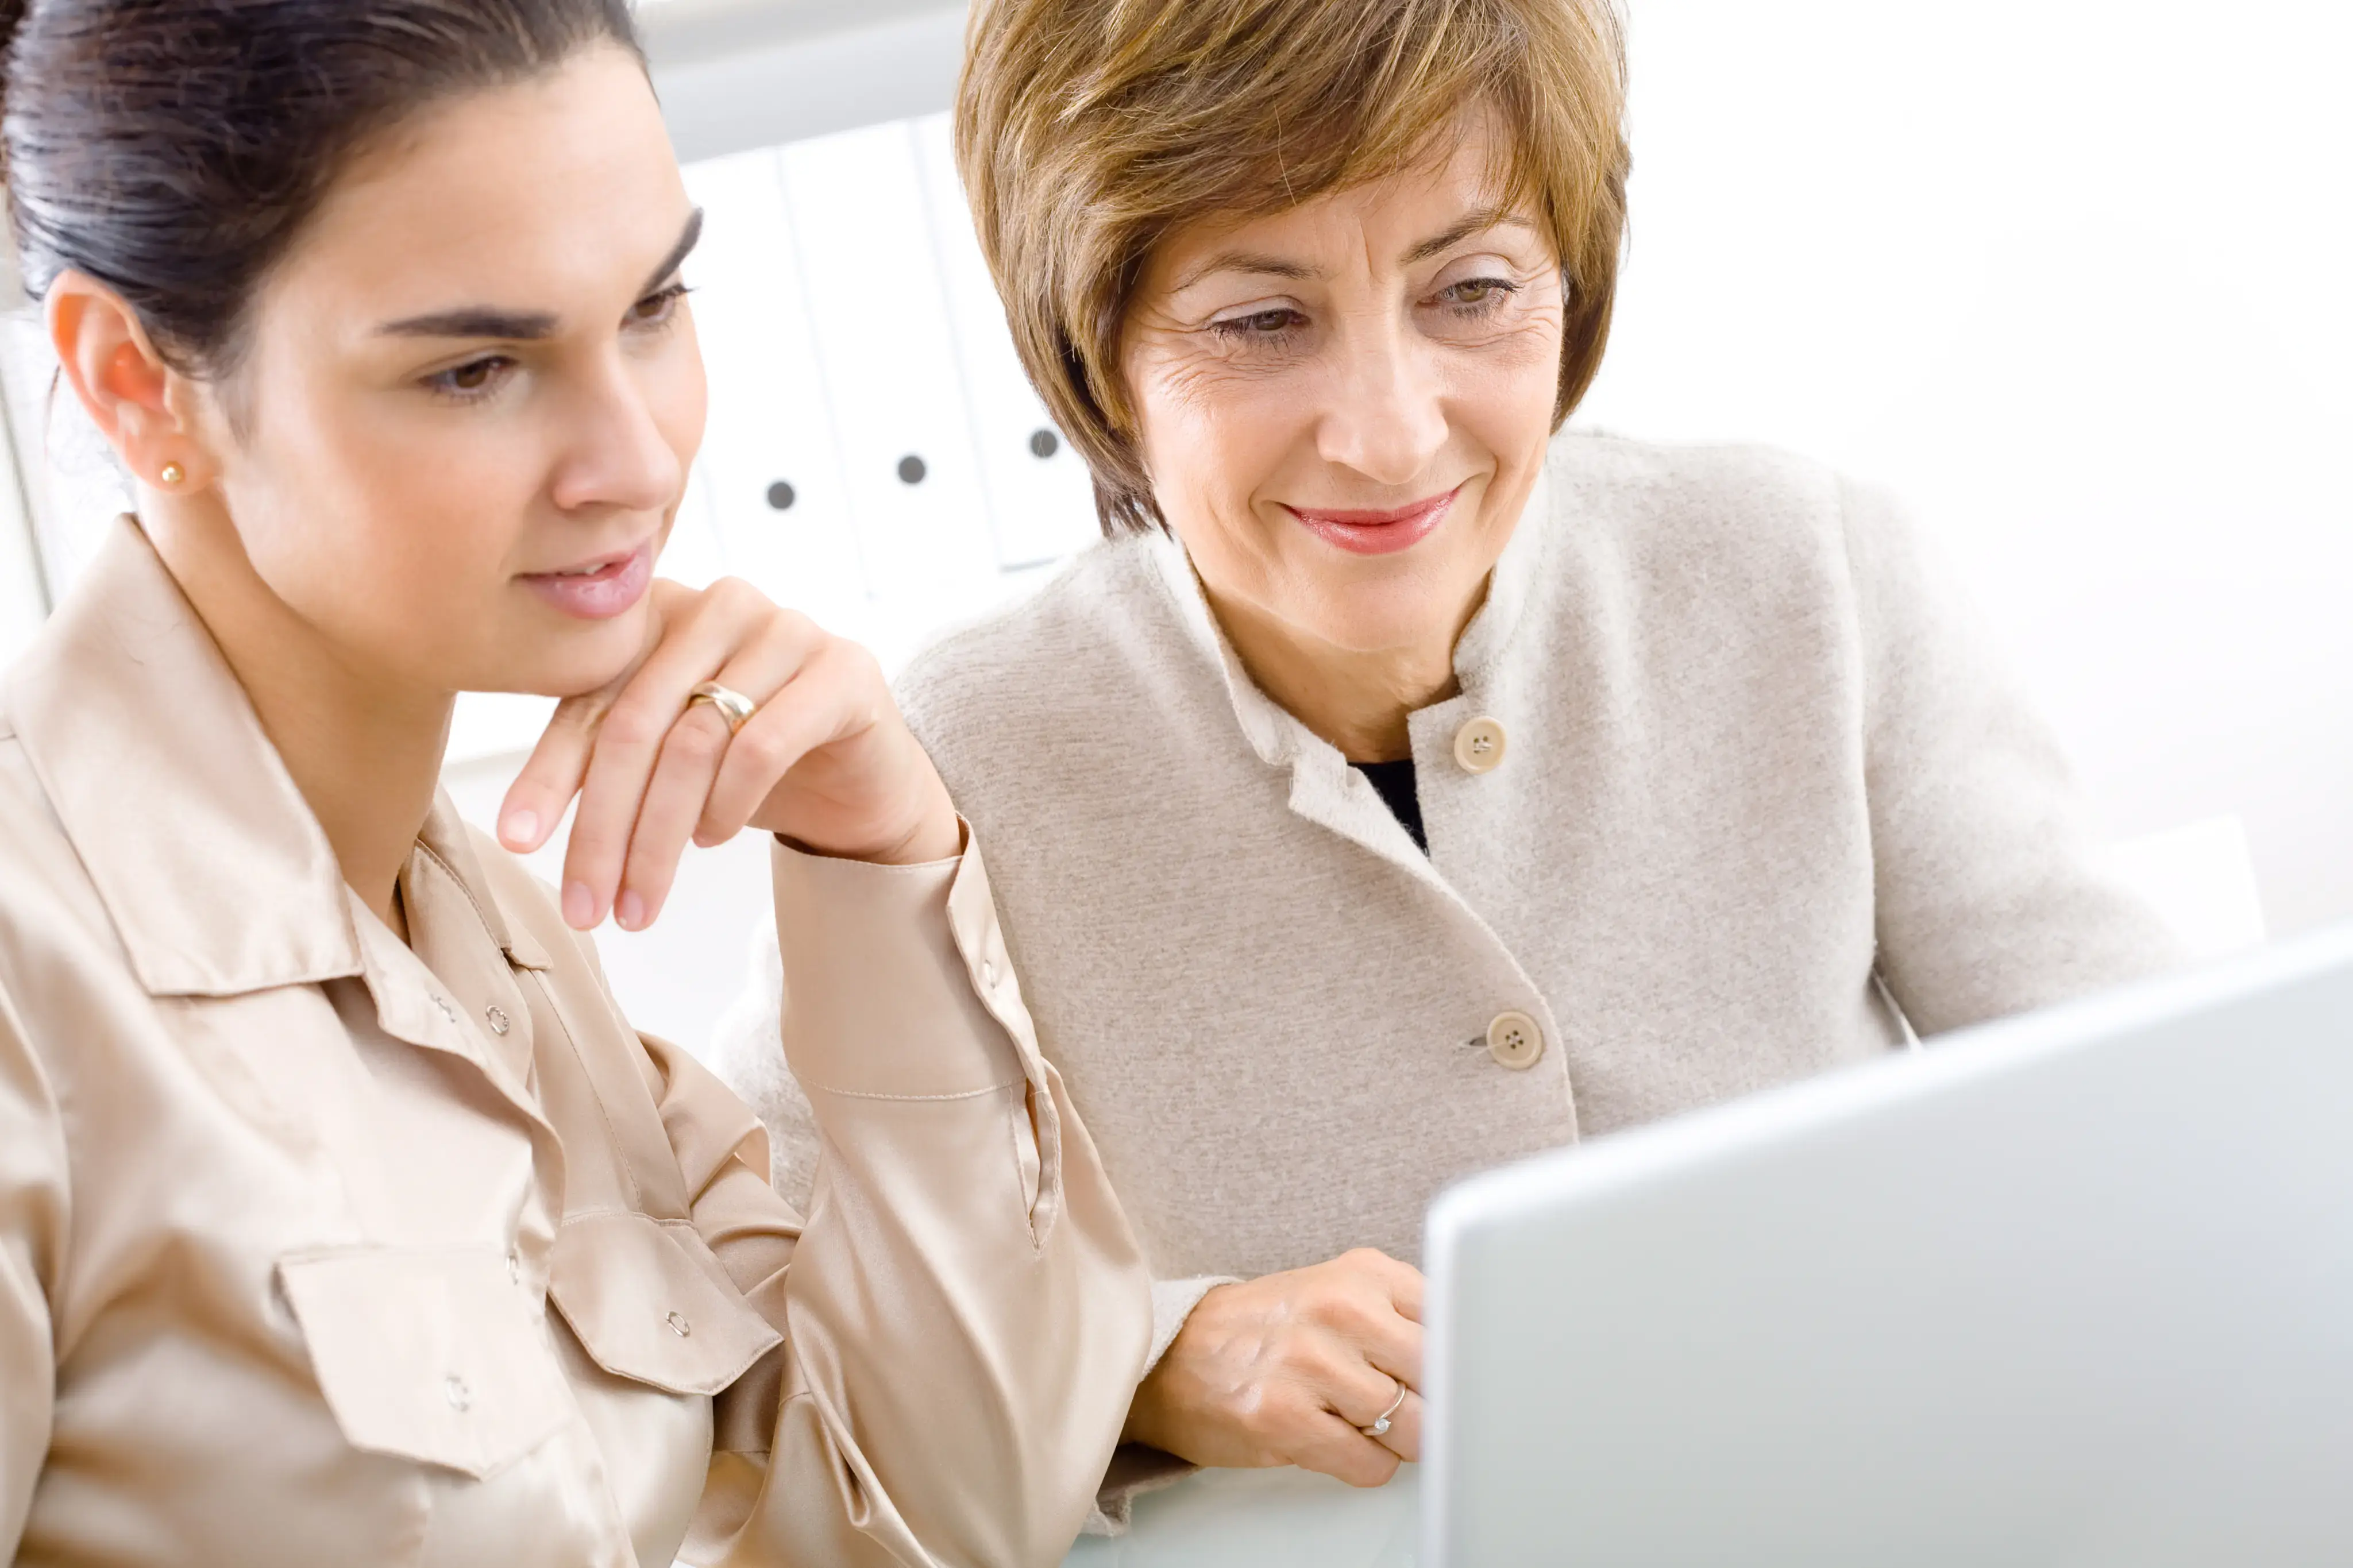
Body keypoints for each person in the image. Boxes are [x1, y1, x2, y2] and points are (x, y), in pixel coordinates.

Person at [713, 0, 2184, 1521]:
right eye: (1260, 322)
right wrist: (1149, 1356)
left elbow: (2164, 1125)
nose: (1392, 434)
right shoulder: (960, 755)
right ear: (1098, 355)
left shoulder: (1803, 570)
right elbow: (747, 1328)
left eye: (1471, 292)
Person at [0, 3, 1149, 1564]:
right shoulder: (35, 979)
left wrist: (884, 853)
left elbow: (944, 1506)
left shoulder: (488, 943)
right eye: (477, 368)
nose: (638, 460)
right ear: (136, 384)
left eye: (657, 303)